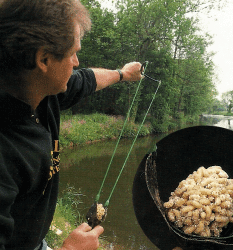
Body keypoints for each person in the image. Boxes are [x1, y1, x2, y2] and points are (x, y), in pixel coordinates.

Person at [0, 0, 142, 249]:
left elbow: (86, 79)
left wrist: (122, 74)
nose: (77, 62)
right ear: (43, 59)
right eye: (72, 53)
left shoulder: (40, 87)